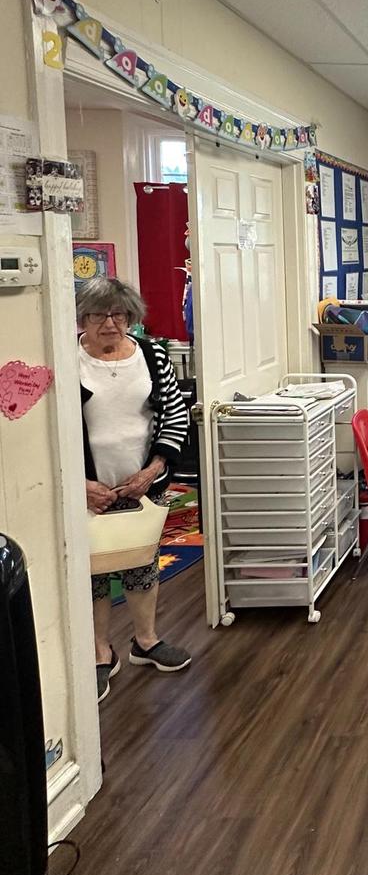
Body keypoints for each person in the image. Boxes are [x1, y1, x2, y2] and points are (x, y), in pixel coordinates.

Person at [77, 277, 192, 702]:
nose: (109, 323)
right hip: (89, 488)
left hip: (142, 484)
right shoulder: (66, 357)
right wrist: (79, 482)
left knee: (143, 562)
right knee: (95, 571)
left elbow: (176, 415)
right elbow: (50, 429)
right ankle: (99, 652)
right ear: (82, 318)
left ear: (131, 316)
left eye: (119, 314)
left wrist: (154, 467)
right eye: (97, 314)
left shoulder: (152, 354)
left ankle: (145, 641)